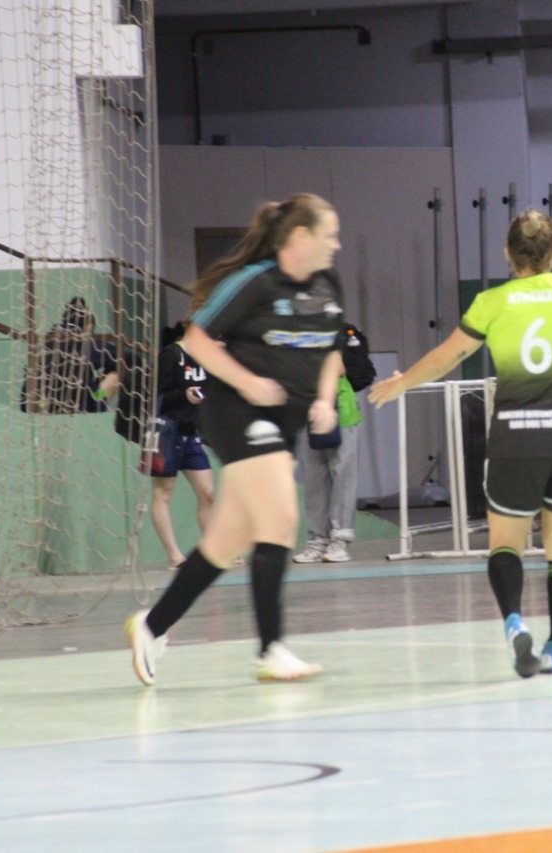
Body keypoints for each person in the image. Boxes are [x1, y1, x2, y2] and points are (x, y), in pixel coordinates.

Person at [370, 209, 552, 678]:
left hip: (516, 439)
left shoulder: (490, 303)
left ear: (508, 254)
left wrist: (402, 383)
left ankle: (513, 622)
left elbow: (447, 357)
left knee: (505, 544)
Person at [124, 192, 344, 685]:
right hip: (236, 413)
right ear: (301, 237)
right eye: (330, 234)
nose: (337, 244)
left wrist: (325, 400)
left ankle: (151, 626)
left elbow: (331, 350)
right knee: (283, 518)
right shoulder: (254, 282)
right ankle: (271, 650)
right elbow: (196, 338)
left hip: (283, 424)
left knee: (226, 543)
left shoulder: (328, 285)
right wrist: (247, 383)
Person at [294, 322, 376, 564]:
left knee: (343, 475)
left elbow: (338, 367)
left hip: (342, 412)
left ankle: (340, 540)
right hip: (308, 414)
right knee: (314, 479)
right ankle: (317, 540)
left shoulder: (336, 333)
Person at [144, 322, 214, 570]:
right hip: (164, 430)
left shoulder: (206, 359)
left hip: (189, 432)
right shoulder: (172, 355)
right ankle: (174, 554)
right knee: (163, 492)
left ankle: (211, 552)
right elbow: (154, 396)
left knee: (208, 493)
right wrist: (182, 396)